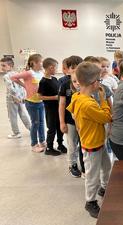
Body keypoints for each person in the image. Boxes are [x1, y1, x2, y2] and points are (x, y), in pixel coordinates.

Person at [67, 62, 112, 218]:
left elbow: (72, 111)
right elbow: (106, 117)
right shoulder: (88, 104)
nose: (100, 83)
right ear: (94, 83)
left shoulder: (77, 96)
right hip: (92, 146)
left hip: (99, 142)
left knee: (106, 167)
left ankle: (105, 188)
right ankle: (90, 201)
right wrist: (103, 99)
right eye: (99, 80)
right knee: (92, 177)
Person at [10, 54, 46, 153]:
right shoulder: (29, 73)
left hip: (41, 102)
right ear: (33, 63)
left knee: (42, 123)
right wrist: (24, 85)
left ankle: (42, 141)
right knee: (35, 123)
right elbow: (13, 77)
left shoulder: (42, 72)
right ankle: (34, 144)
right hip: (31, 103)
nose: (42, 64)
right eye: (41, 62)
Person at [59, 55, 84, 177]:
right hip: (70, 121)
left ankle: (84, 164)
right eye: (72, 68)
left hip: (84, 121)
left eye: (77, 67)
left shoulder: (85, 82)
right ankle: (72, 164)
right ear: (67, 69)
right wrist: (62, 122)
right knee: (72, 144)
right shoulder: (64, 84)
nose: (75, 70)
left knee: (83, 144)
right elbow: (62, 104)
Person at [38, 58, 66, 156]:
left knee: (59, 127)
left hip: (58, 108)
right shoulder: (43, 81)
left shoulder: (54, 79)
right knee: (52, 128)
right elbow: (39, 96)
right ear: (51, 68)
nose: (57, 70)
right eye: (56, 67)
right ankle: (49, 147)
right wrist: (54, 97)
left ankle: (60, 144)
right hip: (50, 109)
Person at [1, 57, 31, 139]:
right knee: (23, 114)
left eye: (4, 65)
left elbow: (11, 88)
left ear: (10, 66)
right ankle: (31, 129)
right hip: (20, 98)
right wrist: (22, 96)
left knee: (12, 116)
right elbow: (22, 86)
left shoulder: (6, 76)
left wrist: (15, 97)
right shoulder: (17, 74)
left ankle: (16, 133)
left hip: (12, 99)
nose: (2, 67)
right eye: (1, 65)